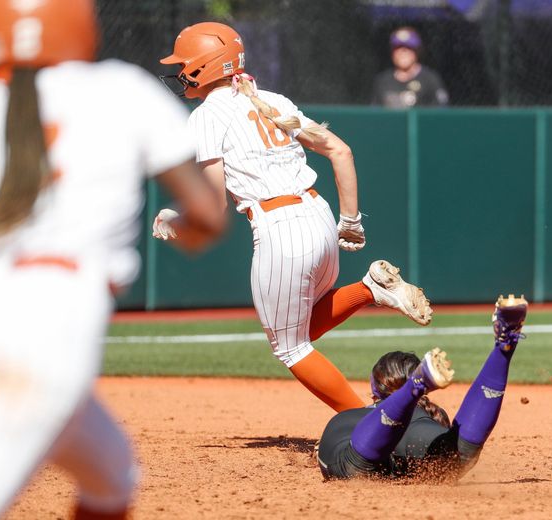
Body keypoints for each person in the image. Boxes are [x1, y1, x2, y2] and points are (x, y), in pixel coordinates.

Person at [0, 1, 226, 518]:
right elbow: (208, 215)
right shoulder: (119, 89)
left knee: (112, 474)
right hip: (48, 333)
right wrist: (188, 230)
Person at [155, 22, 433, 413]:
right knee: (298, 331)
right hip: (318, 215)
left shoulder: (206, 115)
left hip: (280, 227)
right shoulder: (274, 100)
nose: (180, 72)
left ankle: (366, 425)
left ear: (204, 67)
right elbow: (341, 151)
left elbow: (213, 204)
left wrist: (177, 219)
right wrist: (350, 221)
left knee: (290, 348)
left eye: (184, 64)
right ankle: (371, 289)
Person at [316, 294, 528, 481]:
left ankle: (415, 386)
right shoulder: (427, 416)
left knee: (353, 466)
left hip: (348, 433)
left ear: (375, 390)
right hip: (412, 425)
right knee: (456, 457)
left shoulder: (351, 417)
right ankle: (505, 343)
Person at [372, 26, 450, 108]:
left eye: (408, 48)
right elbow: (375, 114)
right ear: (392, 52)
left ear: (417, 51)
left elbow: (440, 112)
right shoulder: (383, 81)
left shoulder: (430, 79)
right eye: (398, 48)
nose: (403, 52)